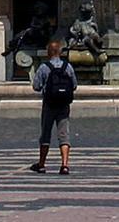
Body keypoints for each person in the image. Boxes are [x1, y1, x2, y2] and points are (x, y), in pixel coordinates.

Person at [29, 38, 76, 174]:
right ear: (60, 52)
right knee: (64, 134)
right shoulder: (67, 66)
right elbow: (74, 85)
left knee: (45, 134)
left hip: (49, 104)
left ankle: (42, 164)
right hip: (63, 105)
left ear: (48, 53)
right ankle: (65, 164)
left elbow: (36, 87)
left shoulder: (44, 67)